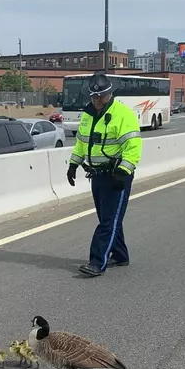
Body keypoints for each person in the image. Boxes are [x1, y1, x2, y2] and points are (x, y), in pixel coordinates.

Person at [66, 71, 143, 277]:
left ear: (110, 94)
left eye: (101, 96)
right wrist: (73, 164)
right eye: (94, 96)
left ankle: (97, 262)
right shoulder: (88, 116)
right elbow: (82, 143)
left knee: (108, 221)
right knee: (109, 218)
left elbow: (133, 145)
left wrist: (124, 170)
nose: (97, 99)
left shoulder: (123, 114)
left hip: (117, 175)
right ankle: (120, 255)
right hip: (97, 175)